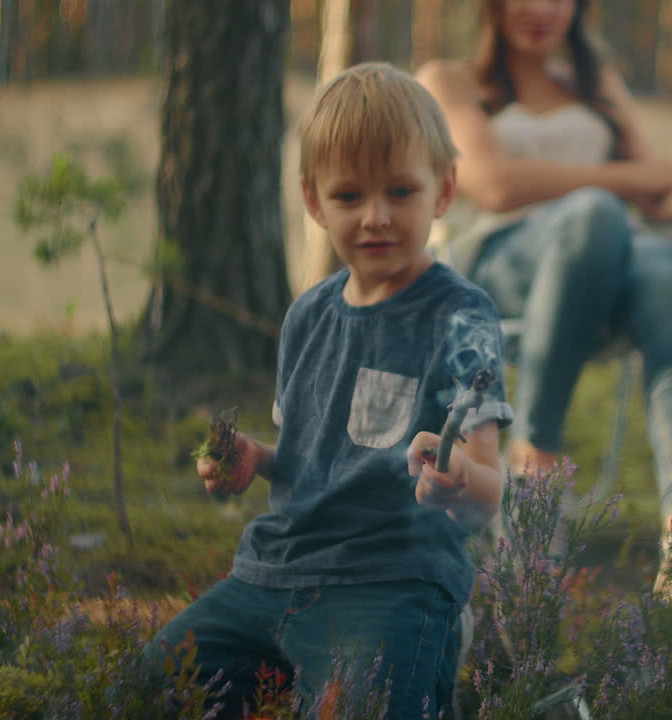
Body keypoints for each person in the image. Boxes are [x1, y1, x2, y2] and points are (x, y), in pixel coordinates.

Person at [146, 63, 513, 719]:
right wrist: (255, 459)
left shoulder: (462, 315)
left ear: (444, 190)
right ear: (314, 201)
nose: (375, 217)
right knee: (147, 686)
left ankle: (435, 654)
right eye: (349, 197)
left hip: (391, 581)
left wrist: (460, 481)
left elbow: (490, 486)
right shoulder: (307, 316)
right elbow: (313, 457)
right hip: (271, 575)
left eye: (401, 191)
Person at [416, 0, 672, 594]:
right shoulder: (450, 82)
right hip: (497, 264)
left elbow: (661, 188)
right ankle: (536, 469)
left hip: (608, 269)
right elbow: (493, 186)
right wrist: (625, 181)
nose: (540, 9)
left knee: (669, 270)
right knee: (596, 214)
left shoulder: (598, 85)